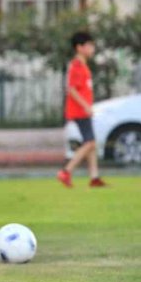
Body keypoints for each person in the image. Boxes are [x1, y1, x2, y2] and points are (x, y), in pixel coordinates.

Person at [57, 31, 106, 188]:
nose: (92, 49)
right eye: (89, 45)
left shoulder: (82, 65)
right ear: (79, 47)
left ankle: (94, 177)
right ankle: (66, 171)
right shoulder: (77, 66)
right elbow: (72, 89)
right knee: (90, 143)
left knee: (90, 142)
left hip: (83, 110)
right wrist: (85, 106)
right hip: (79, 111)